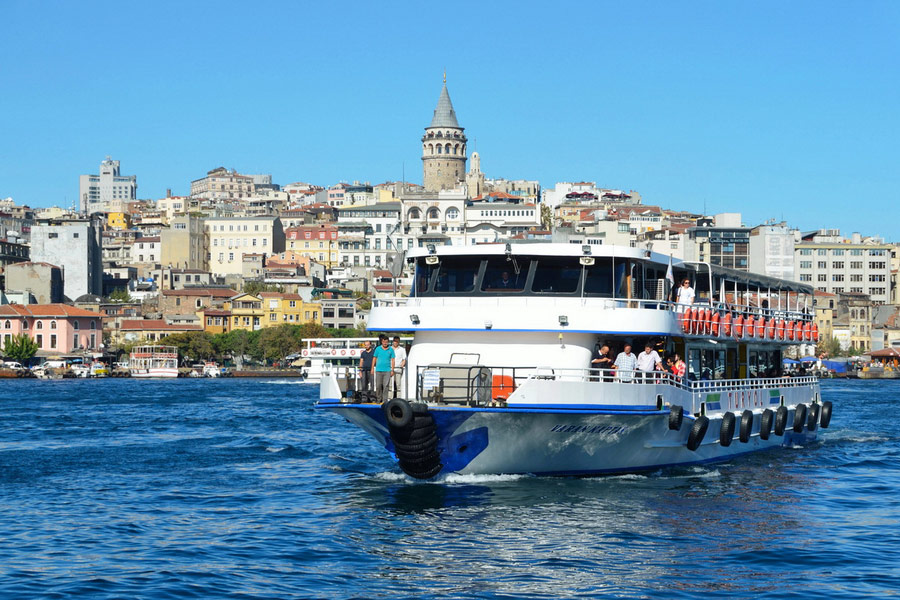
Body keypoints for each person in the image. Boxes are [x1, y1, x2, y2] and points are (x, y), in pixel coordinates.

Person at [371, 335, 395, 403]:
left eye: (386, 342)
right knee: (378, 385)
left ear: (388, 342)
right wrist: (372, 368)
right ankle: (378, 399)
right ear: (382, 342)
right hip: (378, 370)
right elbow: (374, 358)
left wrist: (392, 370)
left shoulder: (391, 349)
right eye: (384, 342)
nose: (385, 343)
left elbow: (393, 360)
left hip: (387, 370)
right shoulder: (378, 349)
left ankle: (385, 400)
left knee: (386, 386)